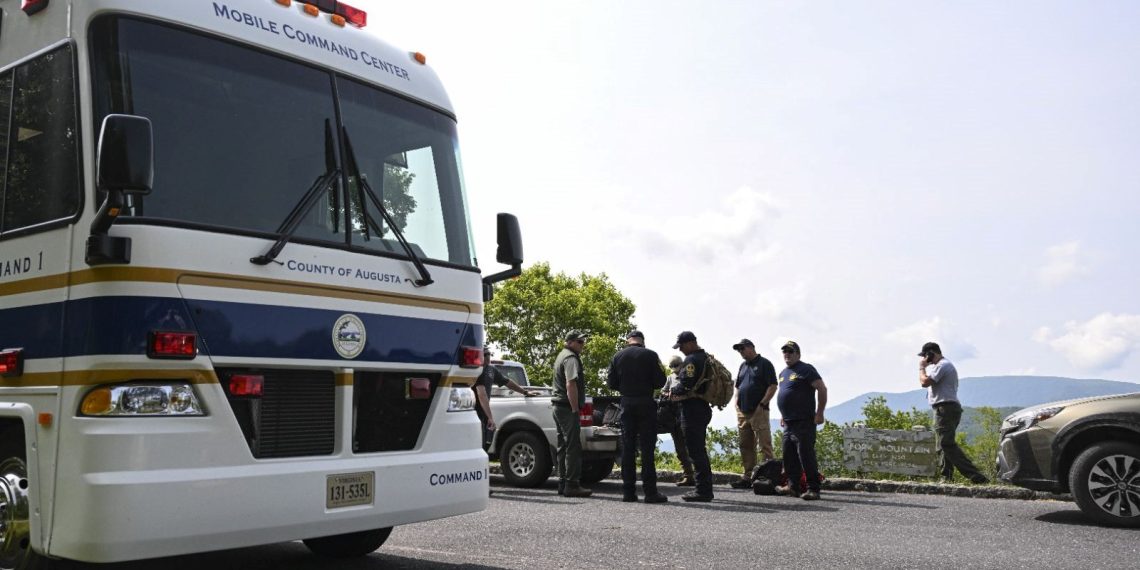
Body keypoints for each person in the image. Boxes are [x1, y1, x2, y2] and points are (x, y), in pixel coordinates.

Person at [606, 330, 669, 503]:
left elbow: (611, 383)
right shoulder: (650, 355)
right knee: (647, 449)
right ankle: (650, 492)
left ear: (628, 341)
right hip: (646, 403)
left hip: (626, 403)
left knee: (628, 448)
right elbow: (661, 382)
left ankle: (628, 492)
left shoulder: (617, 356)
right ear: (642, 341)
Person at [918, 342, 989, 484]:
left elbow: (924, 382)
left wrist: (921, 368)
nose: (926, 359)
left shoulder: (943, 365)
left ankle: (976, 476)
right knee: (942, 445)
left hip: (945, 408)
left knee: (946, 444)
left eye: (926, 356)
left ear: (932, 353)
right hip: (945, 408)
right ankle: (946, 477)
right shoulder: (941, 366)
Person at [776, 340, 827, 501]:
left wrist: (819, 413)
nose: (787, 354)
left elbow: (821, 388)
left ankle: (813, 489)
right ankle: (793, 487)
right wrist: (784, 414)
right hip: (789, 423)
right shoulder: (783, 373)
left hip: (804, 421)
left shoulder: (806, 369)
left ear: (798, 354)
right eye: (785, 352)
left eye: (791, 351)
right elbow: (787, 395)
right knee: (788, 456)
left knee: (805, 456)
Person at [669, 331, 714, 502]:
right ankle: (704, 488)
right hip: (701, 407)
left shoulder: (692, 360)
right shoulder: (705, 357)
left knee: (696, 451)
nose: (680, 350)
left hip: (692, 409)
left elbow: (686, 385)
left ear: (690, 343)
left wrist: (672, 391)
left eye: (681, 346)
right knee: (699, 450)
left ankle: (703, 491)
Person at [729, 338, 778, 489]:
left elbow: (773, 386)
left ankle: (768, 477)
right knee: (746, 444)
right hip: (742, 411)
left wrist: (762, 404)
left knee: (764, 445)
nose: (741, 352)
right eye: (739, 350)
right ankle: (748, 476)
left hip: (759, 410)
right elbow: (738, 386)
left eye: (742, 348)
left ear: (751, 347)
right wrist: (736, 403)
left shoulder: (765, 364)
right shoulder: (742, 366)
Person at [552, 331, 593, 498]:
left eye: (583, 341)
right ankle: (572, 484)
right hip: (566, 407)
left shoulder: (562, 355)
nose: (583, 344)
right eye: (579, 341)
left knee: (563, 445)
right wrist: (575, 408)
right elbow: (571, 384)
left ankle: (562, 482)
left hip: (558, 406)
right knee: (573, 446)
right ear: (570, 342)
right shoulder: (571, 358)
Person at [475, 349, 539, 450]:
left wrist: (525, 392)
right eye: (485, 354)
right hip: (474, 412)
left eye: (489, 354)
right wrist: (490, 417)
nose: (488, 356)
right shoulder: (476, 370)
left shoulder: (491, 370)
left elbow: (507, 382)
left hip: (484, 413)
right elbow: (481, 394)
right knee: (478, 444)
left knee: (486, 444)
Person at [663, 356, 696, 486]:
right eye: (673, 367)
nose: (675, 369)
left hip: (688, 414)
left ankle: (699, 475)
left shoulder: (688, 375)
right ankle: (688, 475)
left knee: (693, 446)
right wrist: (670, 395)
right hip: (674, 416)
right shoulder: (670, 378)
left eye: (676, 366)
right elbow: (664, 391)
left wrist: (682, 396)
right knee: (680, 448)